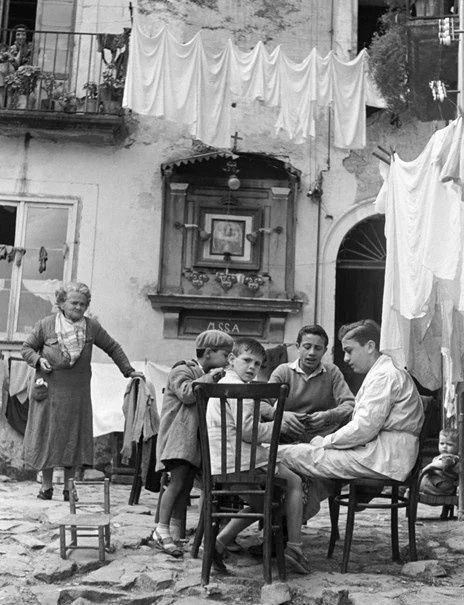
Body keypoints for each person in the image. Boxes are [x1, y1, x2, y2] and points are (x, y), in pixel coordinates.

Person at [21, 282, 144, 501]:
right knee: (48, 437)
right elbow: (26, 348)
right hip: (49, 391)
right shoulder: (47, 325)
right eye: (74, 303)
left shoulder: (91, 327)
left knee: (72, 439)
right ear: (61, 303)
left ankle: (69, 488)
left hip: (76, 393)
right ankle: (46, 487)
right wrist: (38, 360)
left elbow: (113, 347)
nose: (79, 307)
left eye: (83, 304)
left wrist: (129, 371)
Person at [279, 320, 424, 497]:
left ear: (370, 346)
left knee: (282, 454)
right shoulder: (385, 371)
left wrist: (325, 441)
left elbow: (363, 428)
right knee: (300, 454)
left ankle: (285, 512)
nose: (346, 358)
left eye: (349, 351)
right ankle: (295, 508)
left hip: (381, 458)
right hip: (383, 454)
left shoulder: (384, 376)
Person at [208, 337, 310, 574]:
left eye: (258, 363)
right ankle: (295, 547)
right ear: (232, 360)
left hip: (223, 465)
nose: (252, 367)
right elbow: (248, 431)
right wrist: (279, 425)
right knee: (295, 482)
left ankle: (219, 542)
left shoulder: (222, 385)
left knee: (268, 503)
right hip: (244, 463)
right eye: (247, 360)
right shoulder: (242, 390)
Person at [260, 324, 355, 520]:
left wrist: (327, 416)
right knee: (281, 475)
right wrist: (281, 415)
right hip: (286, 440)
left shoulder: (332, 372)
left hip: (318, 442)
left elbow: (349, 405)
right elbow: (261, 403)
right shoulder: (283, 372)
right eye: (307, 346)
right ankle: (281, 528)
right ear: (297, 347)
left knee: (313, 479)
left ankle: (286, 529)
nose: (311, 352)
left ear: (325, 351)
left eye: (318, 348)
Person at [153, 329, 234, 557]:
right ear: (208, 353)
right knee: (176, 483)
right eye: (225, 354)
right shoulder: (183, 369)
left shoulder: (206, 373)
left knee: (186, 486)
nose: (228, 360)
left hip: (195, 443)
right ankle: (160, 530)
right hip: (178, 439)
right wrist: (214, 377)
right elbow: (188, 394)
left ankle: (178, 533)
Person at [420, 428, 459, 497]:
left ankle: (407, 490)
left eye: (449, 444)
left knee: (420, 478)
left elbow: (444, 464)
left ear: (458, 447)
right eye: (442, 443)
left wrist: (427, 468)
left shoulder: (453, 458)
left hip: (444, 485)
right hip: (436, 484)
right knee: (421, 479)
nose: (444, 446)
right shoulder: (438, 457)